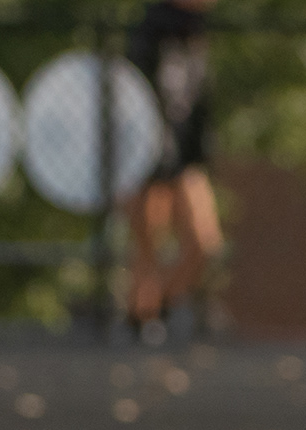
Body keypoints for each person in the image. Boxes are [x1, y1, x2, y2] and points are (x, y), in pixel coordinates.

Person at [126, 0, 224, 343]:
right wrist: (152, 164)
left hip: (184, 159)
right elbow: (141, 102)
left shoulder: (195, 36)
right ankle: (140, 323)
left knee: (204, 243)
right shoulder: (150, 34)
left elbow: (196, 106)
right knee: (148, 249)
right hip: (148, 160)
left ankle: (159, 308)